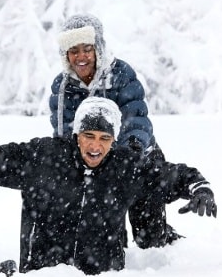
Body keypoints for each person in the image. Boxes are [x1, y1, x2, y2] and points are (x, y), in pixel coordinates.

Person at [0, 97, 216, 276]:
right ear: (76, 135)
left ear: (114, 140)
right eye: (88, 136)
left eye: (104, 138)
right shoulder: (46, 156)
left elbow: (176, 175)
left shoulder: (125, 168)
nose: (95, 146)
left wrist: (199, 189)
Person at [49, 13, 175, 249]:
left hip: (138, 158)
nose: (81, 56)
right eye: (73, 51)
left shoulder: (120, 74)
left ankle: (165, 237)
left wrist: (131, 150)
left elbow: (135, 116)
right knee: (107, 240)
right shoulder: (62, 86)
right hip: (97, 165)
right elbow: (64, 131)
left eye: (86, 48)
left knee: (149, 240)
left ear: (98, 48)